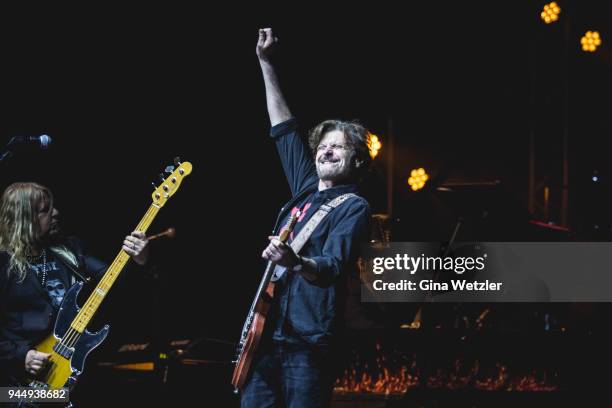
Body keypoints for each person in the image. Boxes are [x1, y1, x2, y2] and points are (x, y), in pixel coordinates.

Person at [240, 28, 372, 408]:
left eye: (339, 147)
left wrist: (294, 261)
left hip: (307, 343)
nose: (327, 152)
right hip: (265, 333)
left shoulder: (353, 206)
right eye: (324, 145)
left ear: (357, 160)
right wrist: (265, 63)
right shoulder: (305, 188)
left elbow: (332, 266)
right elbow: (283, 127)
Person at [0, 182, 149, 392]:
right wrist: (20, 356)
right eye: (45, 210)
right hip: (15, 385)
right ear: (24, 219)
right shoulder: (3, 263)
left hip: (72, 376)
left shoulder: (69, 249)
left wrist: (138, 260)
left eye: (53, 207)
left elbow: (112, 281)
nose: (55, 213)